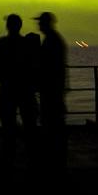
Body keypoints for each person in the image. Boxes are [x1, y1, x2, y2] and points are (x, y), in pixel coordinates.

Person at [0, 14, 38, 164]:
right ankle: (32, 158)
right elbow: (35, 67)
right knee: (29, 125)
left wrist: (1, 79)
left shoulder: (1, 43)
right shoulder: (27, 43)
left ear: (7, 26)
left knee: (7, 126)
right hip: (26, 90)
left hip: (7, 90)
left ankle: (9, 158)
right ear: (20, 26)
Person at [34, 11, 69, 169]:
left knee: (52, 121)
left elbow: (47, 66)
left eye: (40, 22)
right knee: (54, 121)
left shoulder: (51, 41)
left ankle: (55, 156)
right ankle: (56, 154)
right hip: (54, 87)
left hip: (51, 88)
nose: (38, 25)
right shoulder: (54, 40)